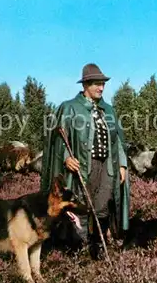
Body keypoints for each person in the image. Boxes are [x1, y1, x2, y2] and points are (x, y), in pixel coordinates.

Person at [41, 63, 130, 260]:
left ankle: (97, 248)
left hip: (107, 166)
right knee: (80, 207)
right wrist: (66, 158)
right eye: (97, 84)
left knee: (103, 206)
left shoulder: (109, 110)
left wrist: (122, 164)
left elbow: (119, 141)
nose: (101, 88)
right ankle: (77, 248)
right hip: (83, 165)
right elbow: (58, 139)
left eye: (103, 84)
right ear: (86, 85)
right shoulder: (70, 108)